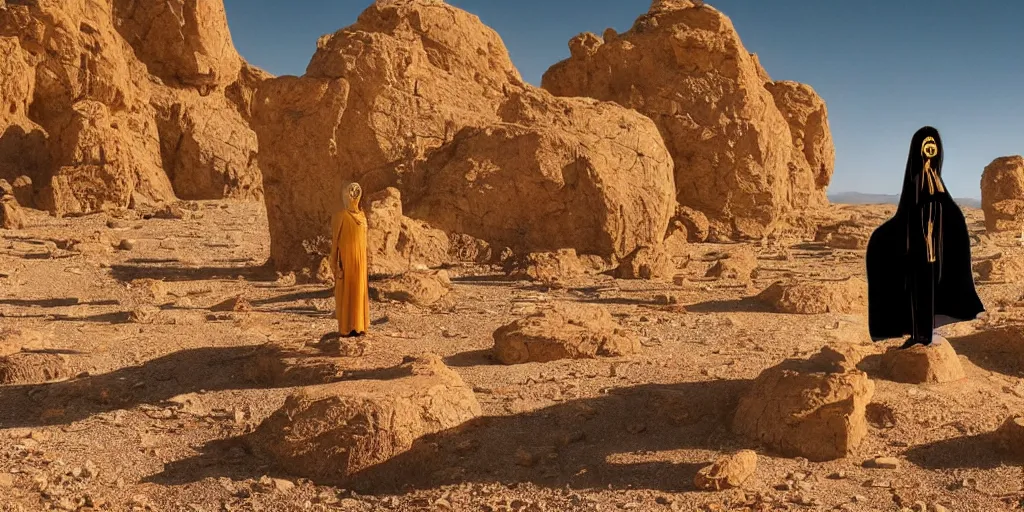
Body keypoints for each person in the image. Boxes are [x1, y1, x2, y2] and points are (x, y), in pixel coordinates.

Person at [866, 126, 984, 349]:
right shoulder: (918, 179)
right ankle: (918, 334)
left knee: (928, 289)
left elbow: (943, 209)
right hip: (917, 246)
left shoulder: (935, 180)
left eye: (933, 146)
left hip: (933, 247)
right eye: (926, 146)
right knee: (915, 288)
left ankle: (924, 334)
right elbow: (913, 211)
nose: (930, 150)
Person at [329, 182, 370, 337]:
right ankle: (347, 326)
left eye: (356, 192)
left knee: (359, 290)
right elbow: (335, 241)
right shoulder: (340, 216)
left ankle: (359, 325)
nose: (353, 195)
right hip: (346, 260)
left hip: (360, 261)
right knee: (347, 290)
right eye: (350, 192)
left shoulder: (362, 216)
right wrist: (335, 262)